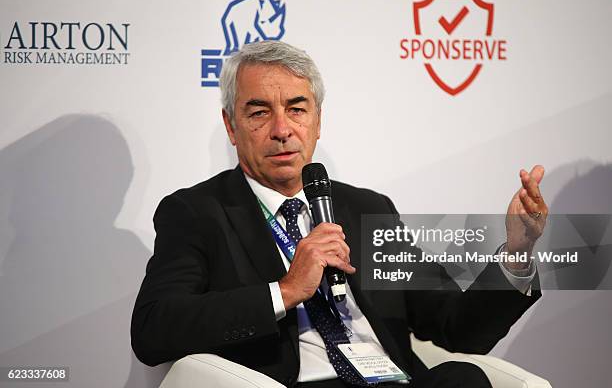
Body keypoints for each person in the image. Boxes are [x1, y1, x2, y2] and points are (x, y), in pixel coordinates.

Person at [131, 40, 548, 387]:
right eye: (259, 112)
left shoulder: (367, 208)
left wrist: (517, 251)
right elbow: (153, 331)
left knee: (463, 377)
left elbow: (456, 326)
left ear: (317, 121)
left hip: (390, 380)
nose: (281, 129)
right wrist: (286, 290)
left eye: (297, 109)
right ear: (230, 125)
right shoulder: (196, 212)